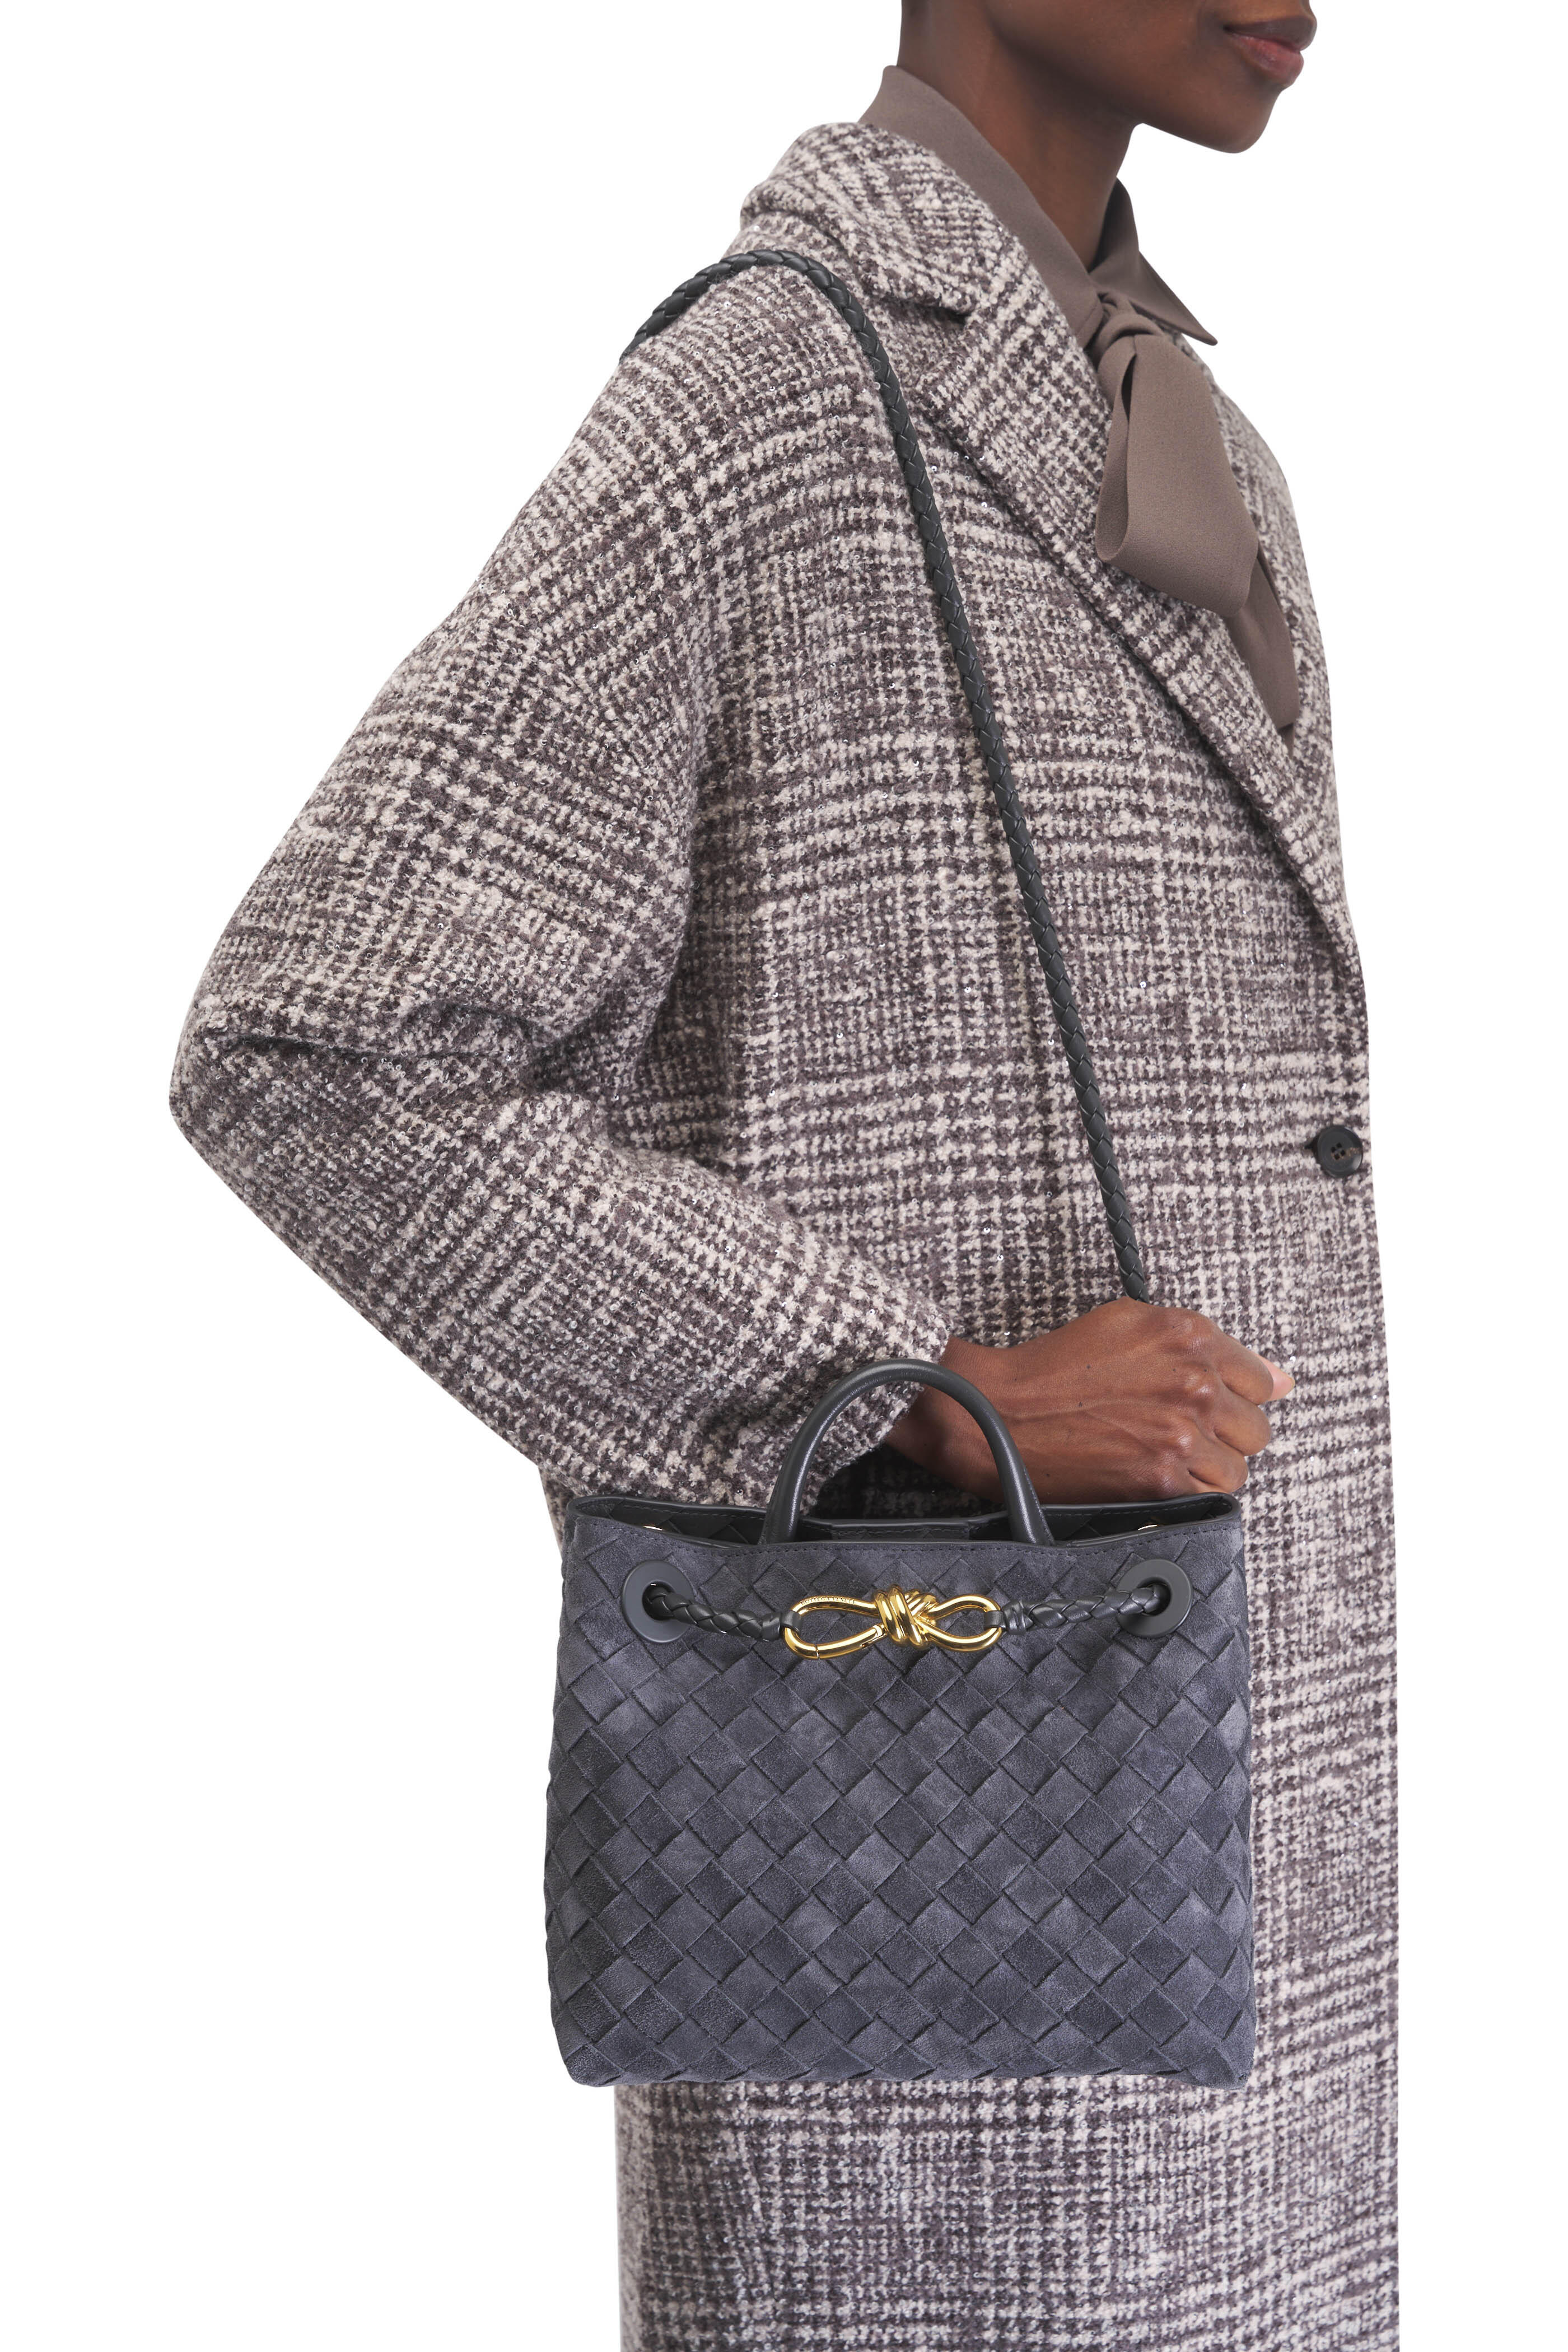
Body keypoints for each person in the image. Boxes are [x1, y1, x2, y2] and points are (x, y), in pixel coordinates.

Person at [171, 1, 1394, 2344]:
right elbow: (319, 1047)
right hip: (929, 1911)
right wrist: (917, 1384)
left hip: (1213, 1853)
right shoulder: (770, 404)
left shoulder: (1190, 440)